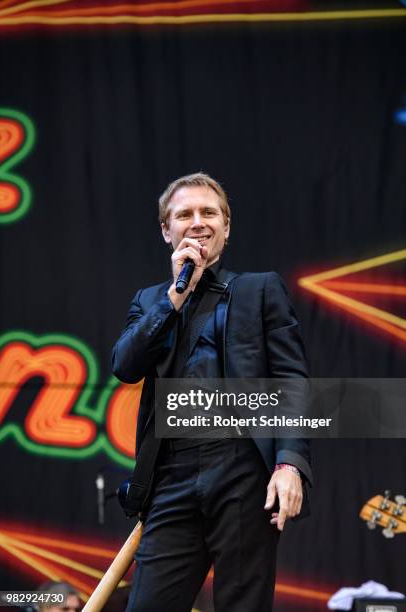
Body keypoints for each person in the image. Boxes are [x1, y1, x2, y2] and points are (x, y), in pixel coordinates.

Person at [112, 172, 312, 612]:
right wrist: (173, 300)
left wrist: (290, 464)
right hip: (171, 473)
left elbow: (291, 381)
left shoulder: (259, 289)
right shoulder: (149, 300)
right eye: (184, 214)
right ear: (167, 231)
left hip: (242, 466)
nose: (198, 221)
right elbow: (124, 366)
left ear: (226, 226)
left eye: (210, 212)